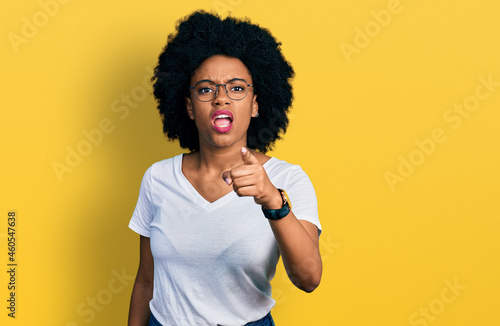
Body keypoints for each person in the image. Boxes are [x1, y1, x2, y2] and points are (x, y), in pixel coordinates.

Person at [128, 11, 322, 326]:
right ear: (189, 106)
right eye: (206, 89)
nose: (221, 99)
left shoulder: (289, 179)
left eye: (236, 88)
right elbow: (146, 282)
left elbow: (309, 278)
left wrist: (273, 201)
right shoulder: (158, 178)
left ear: (256, 103)